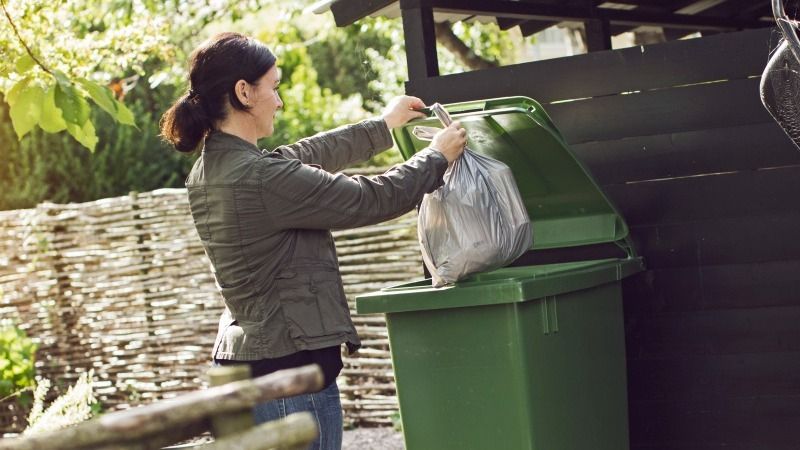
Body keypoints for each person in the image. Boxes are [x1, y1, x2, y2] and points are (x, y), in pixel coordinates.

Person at [159, 31, 466, 449]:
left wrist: (383, 126)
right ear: (244, 92)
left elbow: (304, 154)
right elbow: (367, 199)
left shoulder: (215, 168)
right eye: (275, 87)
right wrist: (436, 156)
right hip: (288, 374)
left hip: (248, 363)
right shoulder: (260, 178)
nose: (280, 101)